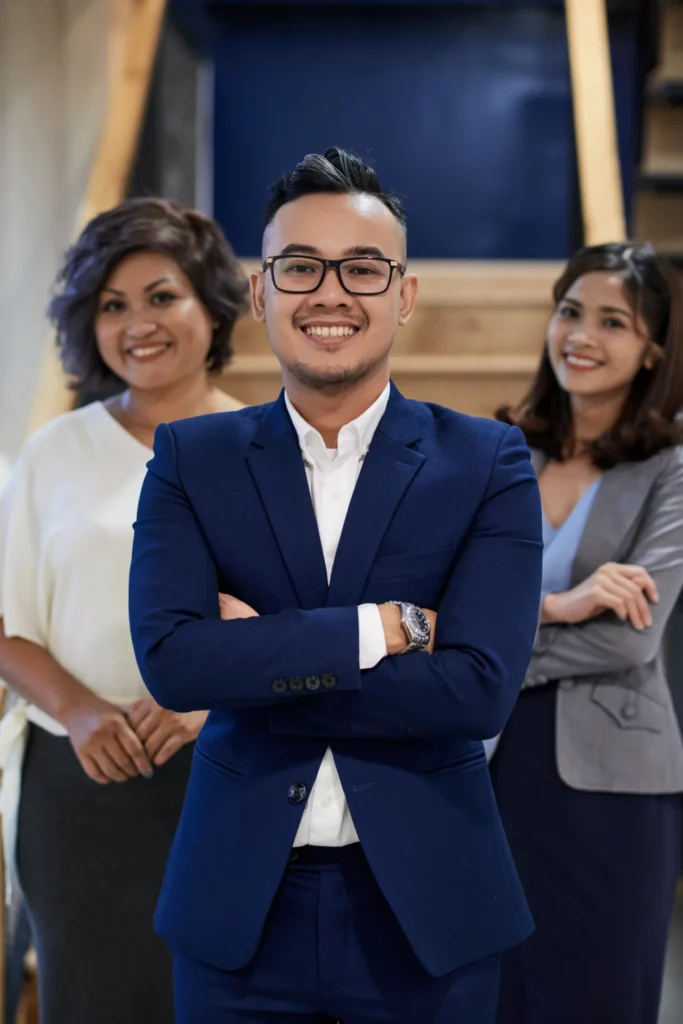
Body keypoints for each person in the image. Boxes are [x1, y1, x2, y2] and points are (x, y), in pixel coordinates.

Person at [128, 147, 544, 1024]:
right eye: (300, 267)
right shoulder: (190, 458)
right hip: (237, 911)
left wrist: (251, 663)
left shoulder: (487, 460)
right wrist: (379, 630)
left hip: (428, 911)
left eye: (361, 268)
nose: (329, 293)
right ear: (259, 291)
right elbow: (173, 665)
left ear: (403, 295)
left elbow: (477, 691)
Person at [0, 196, 248, 1024]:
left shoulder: (273, 447)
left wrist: (211, 697)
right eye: (112, 305)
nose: (137, 322)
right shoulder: (55, 450)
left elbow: (306, 624)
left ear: (212, 306)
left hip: (235, 771)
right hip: (82, 785)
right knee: (93, 998)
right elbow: (8, 624)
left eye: (160, 295)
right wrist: (76, 712)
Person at [491, 241, 683, 1024]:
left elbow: (629, 641)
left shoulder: (672, 468)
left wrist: (492, 648)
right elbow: (439, 605)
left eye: (614, 322)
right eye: (570, 312)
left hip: (612, 787)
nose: (582, 335)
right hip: (488, 764)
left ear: (651, 354)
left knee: (598, 991)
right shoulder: (497, 451)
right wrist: (559, 605)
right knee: (494, 989)